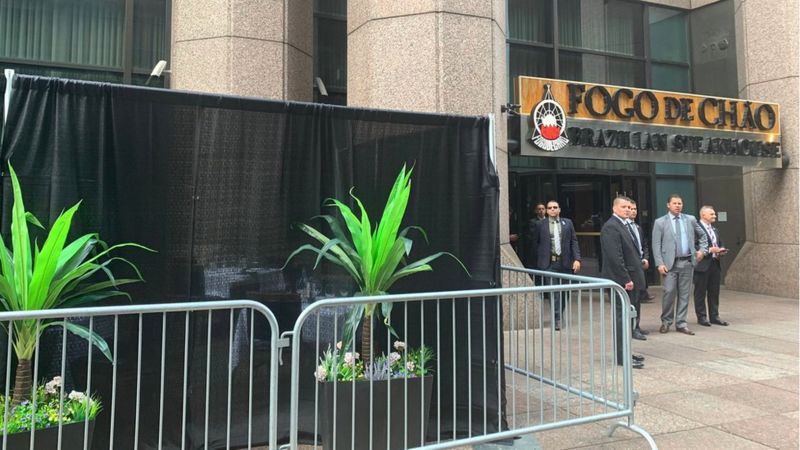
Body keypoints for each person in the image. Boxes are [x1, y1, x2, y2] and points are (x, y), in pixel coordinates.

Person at [652, 194, 708, 335]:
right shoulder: (660, 222)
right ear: (668, 205)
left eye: (680, 203)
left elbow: (703, 235)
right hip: (669, 264)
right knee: (669, 292)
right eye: (675, 203)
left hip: (687, 262)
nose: (678, 206)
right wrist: (659, 263)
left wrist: (703, 250)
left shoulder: (690, 219)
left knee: (684, 294)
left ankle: (681, 323)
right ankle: (666, 321)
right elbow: (656, 244)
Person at [600, 196, 646, 369]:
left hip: (631, 277)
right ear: (614, 208)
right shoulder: (611, 227)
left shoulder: (625, 225)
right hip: (622, 280)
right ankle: (622, 357)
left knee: (628, 319)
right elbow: (615, 257)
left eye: (629, 207)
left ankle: (627, 352)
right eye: (623, 207)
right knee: (622, 318)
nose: (627, 210)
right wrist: (625, 278)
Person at [530, 200, 581, 330]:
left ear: (559, 209)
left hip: (565, 263)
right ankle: (557, 318)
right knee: (554, 292)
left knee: (564, 292)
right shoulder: (540, 225)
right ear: (547, 211)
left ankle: (560, 313)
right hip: (549, 264)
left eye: (555, 207)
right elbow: (535, 243)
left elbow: (573, 241)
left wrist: (577, 259)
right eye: (550, 208)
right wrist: (540, 259)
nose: (552, 209)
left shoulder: (567, 223)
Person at [694, 205, 730, 327]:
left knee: (714, 291)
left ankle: (714, 316)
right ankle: (702, 317)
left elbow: (719, 243)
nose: (715, 216)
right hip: (702, 264)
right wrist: (709, 250)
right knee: (700, 292)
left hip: (715, 263)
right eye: (712, 214)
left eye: (714, 214)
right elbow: (693, 246)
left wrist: (721, 249)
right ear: (703, 215)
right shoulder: (696, 228)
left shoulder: (715, 229)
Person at [626, 200, 649, 340]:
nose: (633, 211)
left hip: (640, 266)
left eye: (635, 209)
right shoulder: (624, 228)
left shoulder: (638, 228)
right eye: (630, 208)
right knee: (631, 300)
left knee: (638, 299)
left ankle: (637, 325)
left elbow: (644, 245)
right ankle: (631, 328)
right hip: (630, 269)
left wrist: (645, 258)